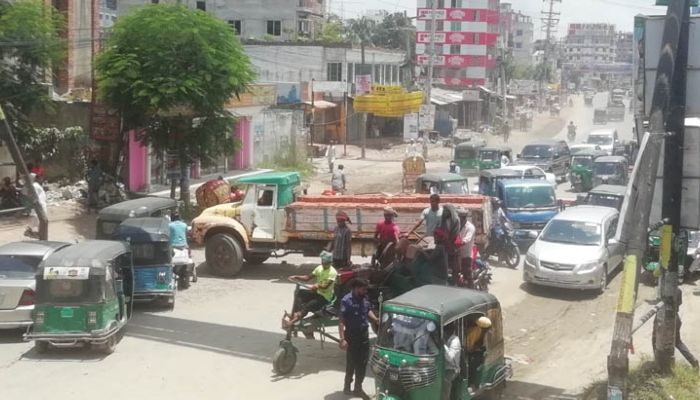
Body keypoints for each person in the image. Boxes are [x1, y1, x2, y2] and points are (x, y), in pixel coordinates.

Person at [339, 278, 378, 400]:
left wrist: (376, 319)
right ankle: (347, 386)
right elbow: (341, 321)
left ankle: (358, 388)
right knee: (352, 362)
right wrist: (342, 339)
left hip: (363, 335)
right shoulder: (346, 301)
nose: (365, 291)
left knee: (362, 362)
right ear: (356, 288)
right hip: (351, 335)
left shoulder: (364, 298)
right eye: (363, 289)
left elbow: (367, 310)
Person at [284, 251, 338, 332]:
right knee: (299, 292)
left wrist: (318, 286)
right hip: (316, 292)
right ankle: (296, 313)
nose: (324, 265)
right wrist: (296, 277)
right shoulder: (319, 268)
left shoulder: (332, 272)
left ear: (330, 263)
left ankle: (292, 321)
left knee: (309, 305)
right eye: (323, 262)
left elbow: (326, 286)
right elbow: (307, 277)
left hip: (324, 297)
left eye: (326, 263)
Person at [652, 288, 700, 369]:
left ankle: (659, 363)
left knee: (655, 340)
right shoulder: (678, 290)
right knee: (677, 342)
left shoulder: (662, 290)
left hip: (664, 318)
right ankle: (693, 360)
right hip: (675, 317)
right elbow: (679, 303)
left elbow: (659, 304)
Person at [466, 316, 492, 391]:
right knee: (473, 367)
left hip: (475, 350)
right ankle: (472, 384)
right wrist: (475, 349)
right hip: (471, 353)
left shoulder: (479, 330)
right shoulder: (475, 331)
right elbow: (469, 346)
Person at [24, 173, 47, 238]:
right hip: (39, 204)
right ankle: (33, 232)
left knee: (37, 219)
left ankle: (35, 232)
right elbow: (33, 195)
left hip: (41, 204)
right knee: (39, 219)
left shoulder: (36, 185)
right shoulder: (35, 185)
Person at [443, 322, 462, 400]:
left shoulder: (455, 341)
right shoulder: (444, 338)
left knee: (445, 381)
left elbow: (450, 357)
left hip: (451, 369)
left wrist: (443, 344)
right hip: (441, 366)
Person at [458, 208, 476, 287]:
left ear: (464, 218)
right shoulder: (456, 225)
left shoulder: (470, 227)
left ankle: (472, 289)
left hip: (466, 255)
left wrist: (460, 242)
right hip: (456, 254)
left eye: (459, 218)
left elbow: (467, 239)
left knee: (467, 275)